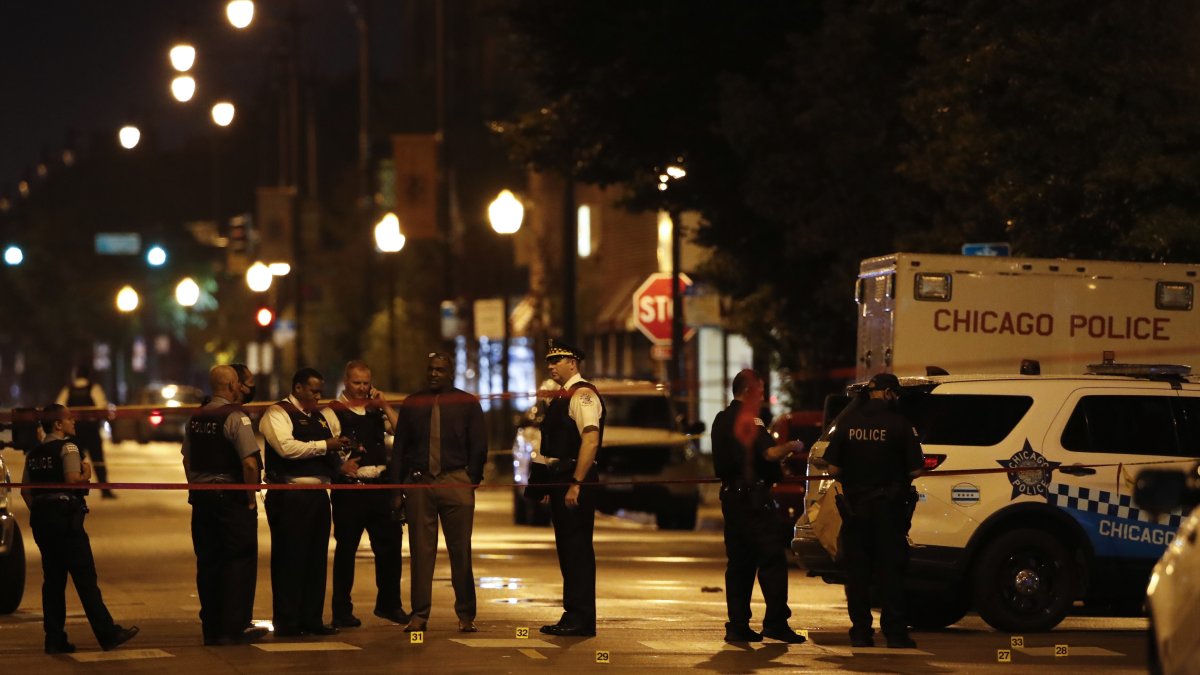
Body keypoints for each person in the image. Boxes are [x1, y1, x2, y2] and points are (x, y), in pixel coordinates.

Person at [20, 404, 139, 654]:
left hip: (43, 522)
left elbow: (25, 491)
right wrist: (87, 473)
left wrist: (42, 512)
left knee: (52, 581)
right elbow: (72, 479)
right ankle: (108, 633)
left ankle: (54, 639)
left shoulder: (33, 453)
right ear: (57, 425)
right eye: (69, 419)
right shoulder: (69, 447)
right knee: (85, 579)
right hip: (66, 520)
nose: (74, 422)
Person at [822, 372, 924, 649]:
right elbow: (915, 469)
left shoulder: (847, 423)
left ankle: (860, 633)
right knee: (890, 572)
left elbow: (833, 469)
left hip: (854, 510)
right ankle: (895, 634)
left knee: (858, 574)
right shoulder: (900, 424)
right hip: (888, 510)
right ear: (889, 393)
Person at [391, 352, 486, 633]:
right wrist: (397, 491)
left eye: (440, 370)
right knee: (421, 552)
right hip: (421, 482)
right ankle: (419, 614)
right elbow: (399, 450)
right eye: (430, 369)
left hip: (455, 480)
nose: (434, 374)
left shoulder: (467, 403)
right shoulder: (413, 403)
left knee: (461, 552)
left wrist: (472, 480)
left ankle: (466, 614)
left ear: (450, 372)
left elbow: (479, 444)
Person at [710, 369, 807, 645]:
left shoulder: (720, 419)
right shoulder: (750, 419)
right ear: (749, 391)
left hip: (731, 498)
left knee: (739, 563)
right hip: (753, 500)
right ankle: (776, 622)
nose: (763, 397)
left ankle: (738, 625)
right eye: (761, 391)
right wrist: (792, 445)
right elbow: (769, 453)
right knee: (773, 560)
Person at [260, 367, 356, 637]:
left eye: (320, 390)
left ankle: (312, 619)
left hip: (317, 496)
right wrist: (326, 445)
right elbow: (286, 448)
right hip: (290, 495)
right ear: (298, 388)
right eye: (313, 390)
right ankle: (288, 622)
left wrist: (340, 459)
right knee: (290, 559)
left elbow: (329, 450)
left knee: (315, 560)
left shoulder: (320, 417)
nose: (318, 395)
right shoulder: (277, 413)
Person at [181, 365, 267, 646]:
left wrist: (195, 488)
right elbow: (250, 463)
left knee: (208, 562)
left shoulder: (195, 417)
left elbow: (187, 460)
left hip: (202, 498)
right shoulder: (235, 417)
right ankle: (235, 627)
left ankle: (212, 628)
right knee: (238, 561)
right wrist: (250, 497)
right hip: (229, 498)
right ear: (232, 385)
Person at [327, 360, 408, 628]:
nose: (362, 388)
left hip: (380, 488)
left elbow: (402, 433)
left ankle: (389, 604)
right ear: (345, 381)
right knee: (346, 550)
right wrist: (339, 468)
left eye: (365, 383)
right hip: (350, 491)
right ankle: (341, 610)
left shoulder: (375, 411)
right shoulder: (331, 412)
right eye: (356, 383)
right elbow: (325, 448)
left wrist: (384, 405)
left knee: (390, 548)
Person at [532, 339, 603, 637]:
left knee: (577, 551)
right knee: (568, 550)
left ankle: (581, 617)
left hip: (575, 479)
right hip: (562, 478)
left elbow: (590, 439)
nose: (550, 366)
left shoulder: (583, 394)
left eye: (556, 360)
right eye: (549, 360)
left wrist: (576, 482)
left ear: (572, 363)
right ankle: (573, 613)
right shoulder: (562, 396)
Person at [56, 364, 115, 498]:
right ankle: (105, 490)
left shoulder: (68, 389)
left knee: (73, 462)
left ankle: (73, 490)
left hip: (74, 430)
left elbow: (59, 406)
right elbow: (101, 406)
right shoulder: (94, 388)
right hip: (91, 430)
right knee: (98, 460)